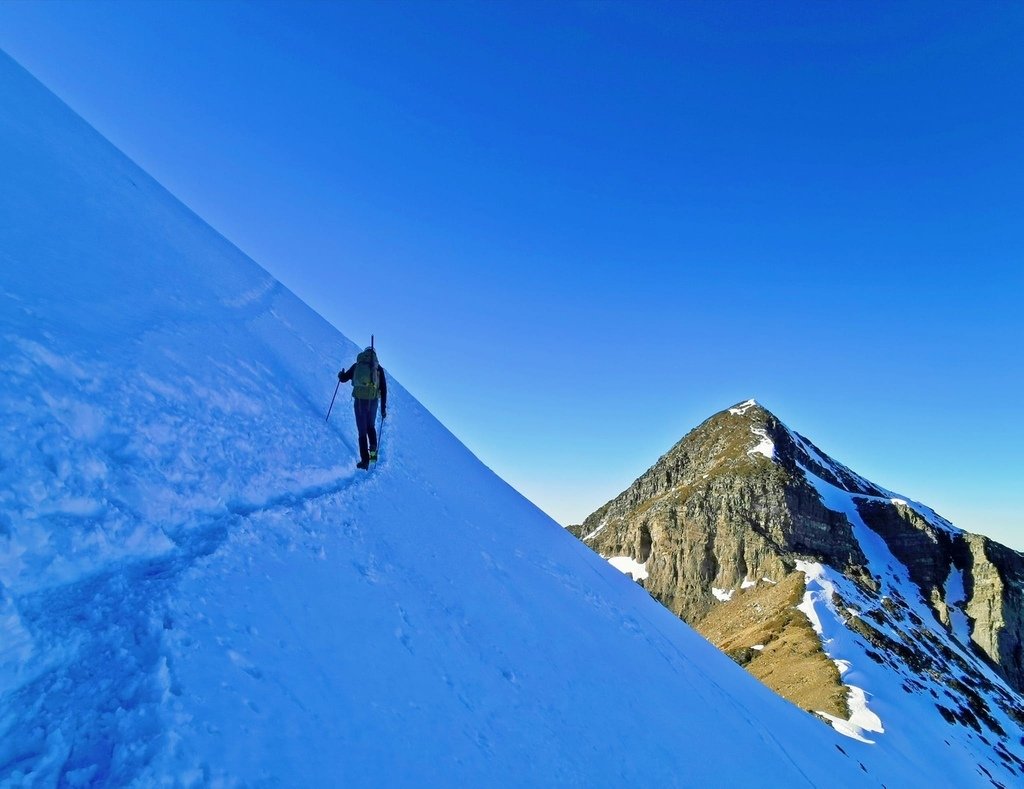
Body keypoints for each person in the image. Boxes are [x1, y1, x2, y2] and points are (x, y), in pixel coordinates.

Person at [338, 347, 388, 470]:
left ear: (365, 353)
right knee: (371, 426)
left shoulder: (358, 365)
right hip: (373, 401)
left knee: (362, 431)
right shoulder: (378, 369)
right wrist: (383, 409)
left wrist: (341, 374)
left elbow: (343, 379)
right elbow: (384, 390)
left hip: (360, 401)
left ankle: (364, 461)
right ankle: (373, 454)